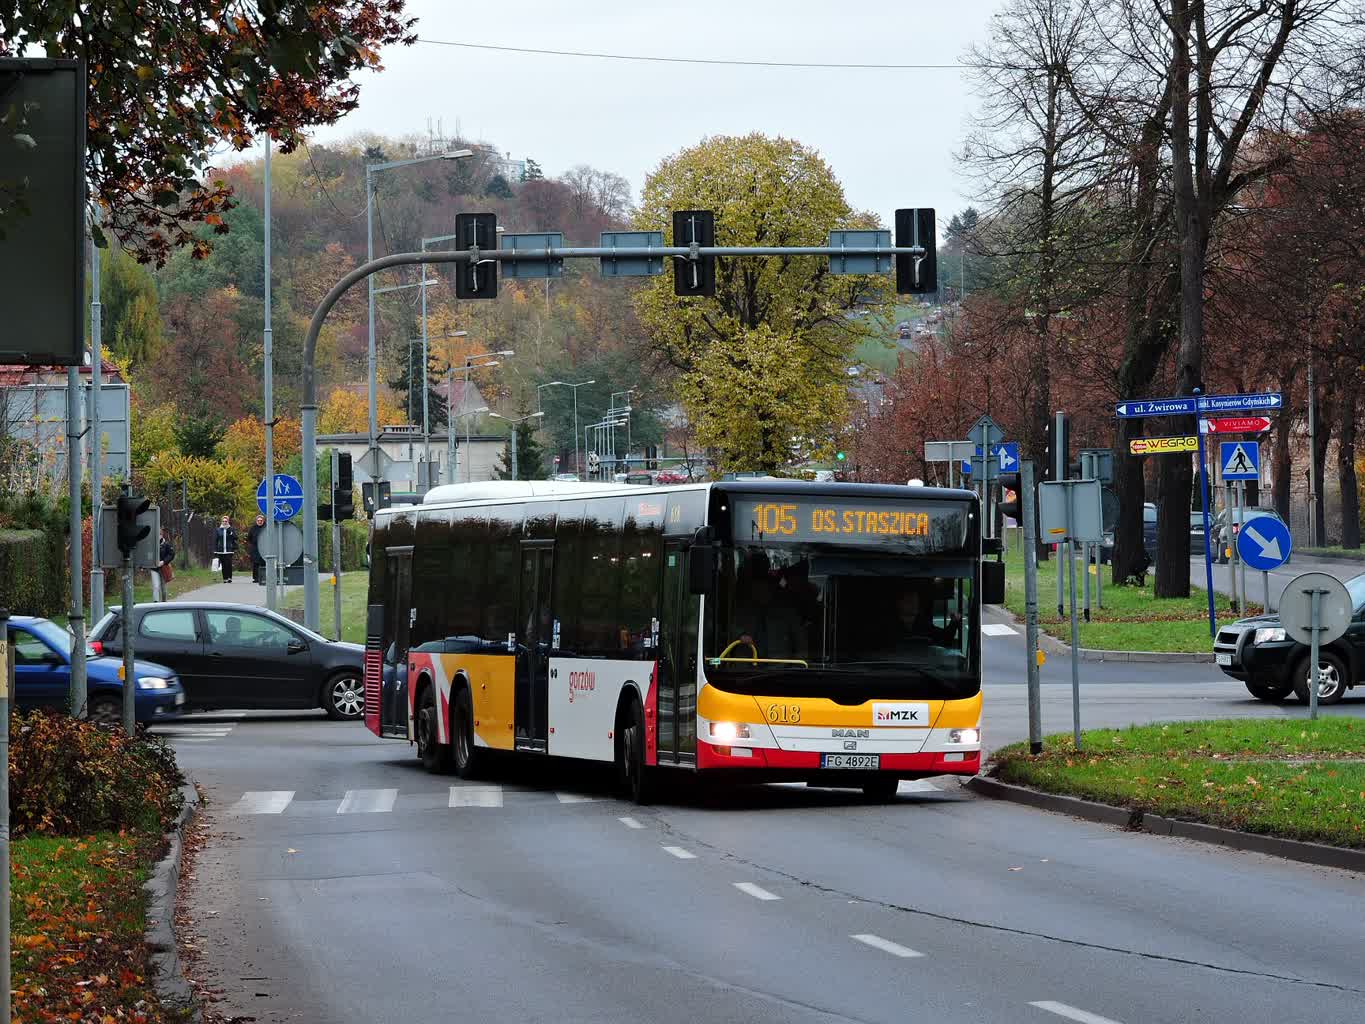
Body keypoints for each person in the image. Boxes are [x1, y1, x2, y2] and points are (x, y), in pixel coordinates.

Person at [152, 529, 175, 602]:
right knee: (156, 587)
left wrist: (164, 562)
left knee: (163, 589)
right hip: (154, 569)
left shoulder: (167, 544)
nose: (157, 536)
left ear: (161, 535)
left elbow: (171, 555)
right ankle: (155, 604)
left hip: (163, 568)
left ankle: (164, 603)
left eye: (159, 535)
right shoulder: (151, 544)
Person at [214, 515, 238, 583]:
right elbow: (215, 540)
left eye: (226, 521)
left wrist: (229, 531)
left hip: (229, 550)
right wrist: (215, 550)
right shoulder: (218, 529)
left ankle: (229, 577)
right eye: (223, 521)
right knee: (223, 565)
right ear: (221, 522)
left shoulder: (231, 529)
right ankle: (224, 578)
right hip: (220, 550)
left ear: (228, 522)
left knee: (228, 564)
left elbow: (235, 537)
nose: (224, 522)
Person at [247, 513, 267, 585]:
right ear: (256, 521)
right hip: (255, 548)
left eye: (261, 520)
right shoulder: (253, 528)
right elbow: (249, 538)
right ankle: (256, 578)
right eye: (258, 520)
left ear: (263, 521)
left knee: (264, 562)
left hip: (264, 547)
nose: (259, 522)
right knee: (255, 563)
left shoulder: (266, 527)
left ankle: (264, 577)